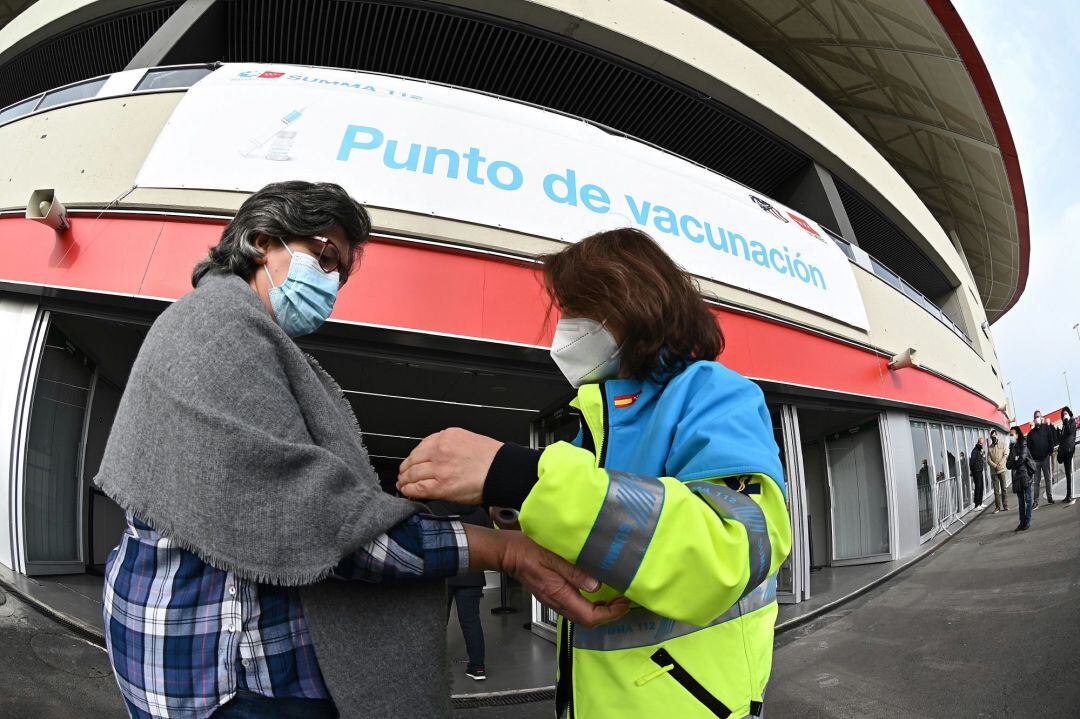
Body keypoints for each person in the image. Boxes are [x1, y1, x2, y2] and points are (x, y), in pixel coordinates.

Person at [94, 182, 623, 719]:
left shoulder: (225, 331)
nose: (330, 282)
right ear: (260, 242)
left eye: (340, 274)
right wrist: (505, 550)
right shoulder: (218, 329)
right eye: (324, 256)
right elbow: (320, 526)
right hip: (230, 678)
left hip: (215, 661)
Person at [397, 228, 791, 719]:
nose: (565, 327)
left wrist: (520, 475)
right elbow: (609, 543)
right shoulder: (596, 423)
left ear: (630, 301)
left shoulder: (713, 393)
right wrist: (514, 512)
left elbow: (731, 549)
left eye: (576, 310)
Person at [428, 500, 493, 681]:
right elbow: (491, 542)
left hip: (443, 574)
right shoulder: (479, 512)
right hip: (472, 574)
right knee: (471, 621)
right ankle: (478, 667)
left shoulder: (433, 508)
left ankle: (432, 669)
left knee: (437, 623)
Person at [1006, 425, 1035, 531]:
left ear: (1017, 434)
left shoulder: (1023, 443)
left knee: (1028, 499)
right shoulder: (1011, 447)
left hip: (1025, 475)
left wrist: (1014, 461)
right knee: (1021, 502)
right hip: (1016, 477)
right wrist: (1015, 460)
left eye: (1012, 434)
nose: (1011, 437)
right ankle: (1022, 522)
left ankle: (1027, 521)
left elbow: (1022, 458)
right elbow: (1008, 465)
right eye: (1010, 435)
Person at [1026, 410, 1056, 509]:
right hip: (1036, 461)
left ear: (1041, 417)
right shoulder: (1031, 433)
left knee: (1048, 479)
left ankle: (1050, 498)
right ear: (1034, 419)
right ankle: (1036, 502)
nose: (1037, 418)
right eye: (1035, 417)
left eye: (1038, 416)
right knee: (1036, 482)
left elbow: (1051, 440)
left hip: (1046, 458)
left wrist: (1050, 452)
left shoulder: (1046, 428)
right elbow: (1028, 448)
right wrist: (1032, 459)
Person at [987, 429, 1010, 514]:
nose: (993, 437)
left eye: (994, 435)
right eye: (992, 436)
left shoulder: (1002, 444)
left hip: (1002, 470)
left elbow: (1005, 455)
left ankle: (1005, 505)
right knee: (996, 491)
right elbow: (988, 460)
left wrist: (1000, 464)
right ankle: (997, 507)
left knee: (1004, 489)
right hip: (994, 472)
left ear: (997, 435)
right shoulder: (990, 447)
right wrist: (995, 466)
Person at [1058, 406, 1076, 505]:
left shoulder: (1072, 422)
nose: (1064, 415)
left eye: (1066, 413)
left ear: (1069, 413)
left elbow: (1070, 432)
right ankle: (1067, 494)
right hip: (1064, 450)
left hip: (1069, 450)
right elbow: (1062, 438)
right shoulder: (1064, 425)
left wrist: (1066, 422)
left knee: (1068, 473)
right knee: (1067, 473)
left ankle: (1070, 495)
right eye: (1063, 414)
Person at [969, 438, 986, 507]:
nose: (981, 445)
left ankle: (980, 503)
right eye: (980, 443)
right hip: (976, 471)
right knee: (978, 487)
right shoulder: (975, 450)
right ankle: (976, 505)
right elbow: (971, 462)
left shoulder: (980, 450)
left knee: (981, 487)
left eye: (982, 443)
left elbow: (982, 458)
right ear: (978, 442)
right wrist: (972, 471)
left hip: (980, 470)